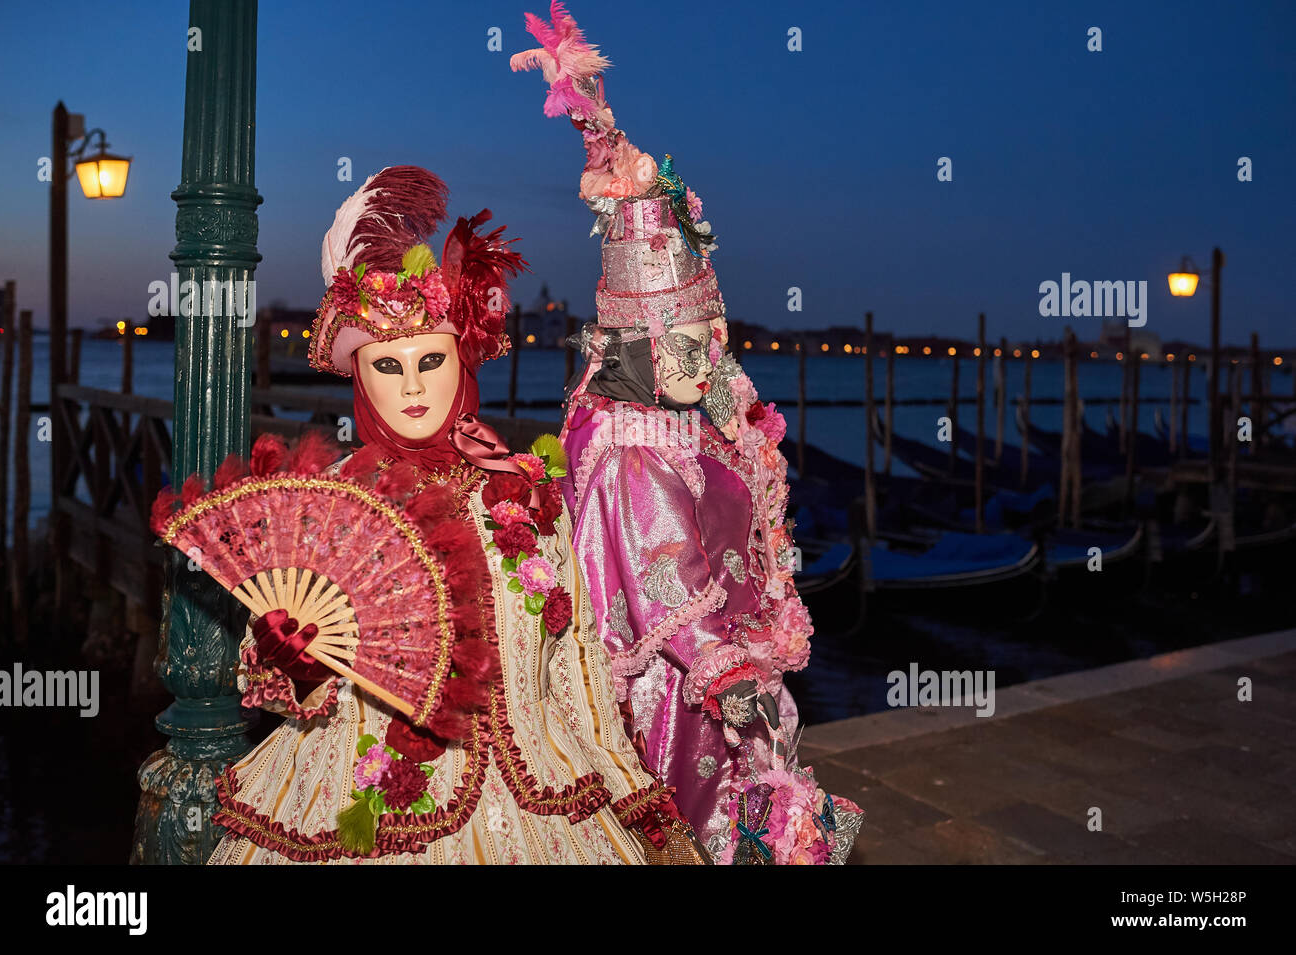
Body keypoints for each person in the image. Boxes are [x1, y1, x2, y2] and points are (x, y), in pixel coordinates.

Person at [205, 166, 701, 864]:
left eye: (431, 358)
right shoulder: (336, 509)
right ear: (362, 378)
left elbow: (577, 669)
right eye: (387, 365)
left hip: (543, 808)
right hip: (363, 815)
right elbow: (283, 690)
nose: (411, 385)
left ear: (461, 359)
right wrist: (294, 659)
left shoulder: (526, 495)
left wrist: (638, 805)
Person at [512, 5, 863, 862]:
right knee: (705, 814)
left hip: (719, 662)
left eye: (708, 340)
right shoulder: (633, 448)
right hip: (679, 689)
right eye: (684, 344)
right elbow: (665, 577)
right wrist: (730, 675)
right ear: (633, 339)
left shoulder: (673, 418)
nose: (705, 361)